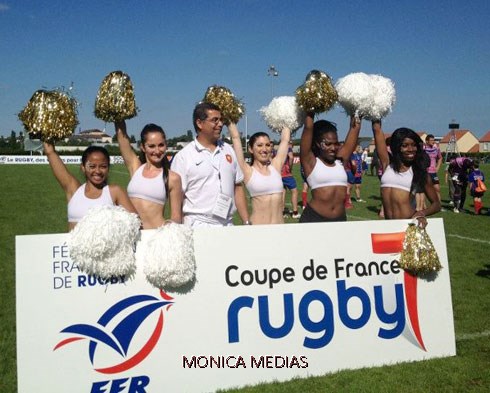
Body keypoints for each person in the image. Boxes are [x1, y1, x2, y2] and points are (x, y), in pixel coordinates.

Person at [170, 102, 250, 227]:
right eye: (215, 120)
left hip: (227, 224)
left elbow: (237, 186)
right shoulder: (183, 157)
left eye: (221, 120)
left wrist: (246, 221)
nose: (220, 124)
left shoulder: (228, 150)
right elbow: (177, 197)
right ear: (199, 123)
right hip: (198, 225)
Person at [43, 142, 137, 230]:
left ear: (108, 168)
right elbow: (50, 152)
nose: (98, 171)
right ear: (83, 167)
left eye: (103, 166)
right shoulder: (74, 191)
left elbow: (136, 223)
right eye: (92, 166)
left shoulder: (115, 192)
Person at [371, 121, 440, 228]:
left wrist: (421, 213)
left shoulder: (419, 172)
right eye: (405, 146)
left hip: (408, 227)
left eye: (413, 145)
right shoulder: (387, 165)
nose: (411, 149)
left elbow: (436, 204)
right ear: (397, 147)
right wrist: (375, 112)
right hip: (388, 226)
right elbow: (377, 130)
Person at [115, 121, 182, 229]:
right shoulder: (136, 168)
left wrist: (170, 226)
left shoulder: (173, 178)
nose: (157, 150)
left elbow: (176, 217)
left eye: (161, 145)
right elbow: (122, 138)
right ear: (142, 147)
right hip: (131, 238)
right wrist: (117, 115)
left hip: (155, 237)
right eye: (151, 146)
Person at [299, 113, 361, 222]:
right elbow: (308, 127)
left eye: (336, 144)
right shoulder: (310, 162)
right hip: (314, 219)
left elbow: (354, 128)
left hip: (340, 219)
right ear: (317, 144)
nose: (333, 148)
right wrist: (310, 108)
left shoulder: (340, 160)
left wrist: (357, 111)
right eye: (328, 144)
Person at [228, 123, 290, 224]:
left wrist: (286, 117)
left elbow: (285, 140)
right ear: (251, 149)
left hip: (280, 229)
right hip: (258, 229)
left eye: (267, 145)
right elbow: (235, 137)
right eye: (259, 145)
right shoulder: (248, 171)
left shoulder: (276, 166)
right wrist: (230, 117)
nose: (264, 149)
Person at [423, 134, 443, 208]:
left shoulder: (436, 149)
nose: (433, 141)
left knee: (437, 189)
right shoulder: (423, 149)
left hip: (433, 172)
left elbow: (440, 158)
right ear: (427, 141)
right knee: (424, 190)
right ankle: (424, 206)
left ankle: (439, 206)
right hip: (425, 172)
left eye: (433, 140)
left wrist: (437, 167)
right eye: (431, 140)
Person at [281, 141, 300, 219]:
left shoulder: (280, 149)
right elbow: (291, 157)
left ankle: (282, 213)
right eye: (291, 144)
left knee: (283, 192)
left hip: (279, 173)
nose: (292, 145)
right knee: (294, 191)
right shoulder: (288, 148)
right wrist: (290, 167)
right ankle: (295, 212)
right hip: (286, 173)